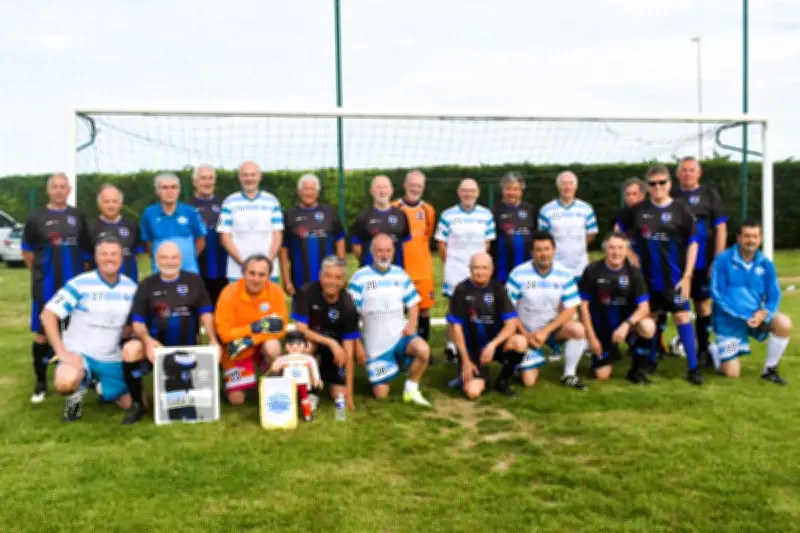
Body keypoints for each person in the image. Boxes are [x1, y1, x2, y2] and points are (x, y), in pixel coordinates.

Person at [617, 165, 703, 385]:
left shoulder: (681, 209)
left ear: (669, 184)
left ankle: (693, 368)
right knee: (651, 318)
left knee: (682, 317)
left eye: (661, 182)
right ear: (647, 187)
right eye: (653, 183)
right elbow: (618, 231)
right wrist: (628, 252)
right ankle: (650, 361)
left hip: (674, 278)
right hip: (646, 278)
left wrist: (688, 275)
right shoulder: (639, 210)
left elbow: (693, 243)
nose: (657, 187)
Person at [39, 237, 138, 421]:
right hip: (78, 354)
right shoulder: (80, 283)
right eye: (104, 254)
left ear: (121, 257)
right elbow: (47, 314)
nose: (109, 258)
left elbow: (136, 320)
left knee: (135, 405)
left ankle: (94, 384)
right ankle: (74, 397)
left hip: (110, 357)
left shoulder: (130, 287)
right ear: (96, 257)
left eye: (114, 254)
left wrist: (129, 328)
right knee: (65, 383)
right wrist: (61, 352)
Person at [120, 242, 218, 424]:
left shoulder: (194, 281)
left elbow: (206, 312)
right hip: (155, 348)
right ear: (156, 259)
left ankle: (190, 395)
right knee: (130, 350)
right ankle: (138, 404)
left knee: (184, 399)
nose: (169, 262)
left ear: (181, 259)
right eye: (164, 257)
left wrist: (213, 339)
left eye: (174, 257)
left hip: (187, 348)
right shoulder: (146, 284)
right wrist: (147, 341)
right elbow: (137, 323)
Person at [22, 173, 91, 404]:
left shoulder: (78, 216)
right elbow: (28, 251)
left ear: (69, 190)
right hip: (46, 285)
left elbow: (86, 252)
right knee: (43, 334)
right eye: (55, 187)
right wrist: (40, 273)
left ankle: (82, 377)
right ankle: (41, 384)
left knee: (77, 331)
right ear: (48, 190)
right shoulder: (36, 217)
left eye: (63, 186)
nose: (59, 190)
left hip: (73, 286)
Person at [347, 234, 432, 406]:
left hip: (400, 338)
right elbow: (350, 315)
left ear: (393, 252)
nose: (384, 255)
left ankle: (411, 388)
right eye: (380, 251)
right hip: (376, 347)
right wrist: (357, 345)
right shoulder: (360, 277)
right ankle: (388, 368)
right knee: (381, 394)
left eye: (388, 251)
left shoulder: (400, 274)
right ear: (371, 251)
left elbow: (414, 304)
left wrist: (411, 324)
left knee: (423, 350)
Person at [709, 220, 792, 383]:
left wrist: (764, 313)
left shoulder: (766, 264)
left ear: (760, 239)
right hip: (730, 325)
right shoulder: (723, 260)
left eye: (755, 236)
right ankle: (717, 352)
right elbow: (717, 294)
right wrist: (744, 316)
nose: (751, 240)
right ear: (738, 238)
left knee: (783, 323)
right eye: (747, 236)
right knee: (732, 373)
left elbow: (774, 294)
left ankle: (769, 370)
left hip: (755, 320)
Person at [506, 231, 588, 391]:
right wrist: (525, 334)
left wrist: (545, 331)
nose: (543, 254)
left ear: (554, 250)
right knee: (528, 382)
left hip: (552, 330)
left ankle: (569, 374)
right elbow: (509, 310)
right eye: (539, 250)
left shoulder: (564, 274)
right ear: (532, 252)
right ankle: (525, 357)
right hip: (525, 331)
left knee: (578, 329)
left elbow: (571, 309)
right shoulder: (518, 274)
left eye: (547, 249)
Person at [446, 251, 527, 400]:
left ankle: (502, 382)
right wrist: (465, 361)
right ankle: (473, 375)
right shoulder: (461, 290)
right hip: (472, 349)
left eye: (484, 268)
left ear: (491, 269)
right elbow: (456, 328)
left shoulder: (498, 289)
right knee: (472, 392)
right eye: (476, 268)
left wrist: (493, 345)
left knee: (520, 342)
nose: (480, 272)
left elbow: (511, 324)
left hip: (494, 345)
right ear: (470, 269)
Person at [579, 233, 656, 383]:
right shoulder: (592, 271)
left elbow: (644, 308)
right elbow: (583, 307)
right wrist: (591, 337)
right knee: (602, 376)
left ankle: (636, 371)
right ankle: (608, 351)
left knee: (648, 326)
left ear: (627, 251)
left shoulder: (634, 273)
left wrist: (626, 325)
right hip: (601, 328)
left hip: (625, 326)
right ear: (605, 250)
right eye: (612, 248)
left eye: (621, 248)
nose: (616, 252)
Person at [436, 178, 496, 362]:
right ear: (459, 192)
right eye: (465, 190)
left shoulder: (486, 215)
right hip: (455, 268)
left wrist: (480, 266)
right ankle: (452, 347)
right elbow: (441, 244)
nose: (468, 194)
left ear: (477, 193)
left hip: (477, 269)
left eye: (472, 191)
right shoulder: (448, 215)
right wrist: (451, 263)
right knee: (454, 308)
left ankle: (475, 343)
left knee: (477, 306)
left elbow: (487, 243)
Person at [215, 254, 288, 405]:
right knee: (237, 400)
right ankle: (232, 381)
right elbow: (225, 335)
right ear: (243, 273)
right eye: (252, 273)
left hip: (255, 344)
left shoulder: (275, 291)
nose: (256, 279)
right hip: (236, 350)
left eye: (262, 274)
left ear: (269, 276)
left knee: (273, 347)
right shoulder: (229, 293)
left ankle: (273, 384)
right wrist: (255, 327)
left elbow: (280, 328)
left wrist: (251, 340)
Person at [676, 156, 728, 366]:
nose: (687, 173)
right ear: (678, 174)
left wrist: (718, 259)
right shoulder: (673, 196)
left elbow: (720, 227)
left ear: (699, 173)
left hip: (703, 262)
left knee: (703, 306)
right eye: (684, 170)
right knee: (667, 305)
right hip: (677, 263)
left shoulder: (709, 194)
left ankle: (703, 349)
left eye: (691, 170)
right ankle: (657, 349)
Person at [291, 255, 359, 409]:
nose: (332, 282)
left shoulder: (348, 305)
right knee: (305, 347)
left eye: (338, 277)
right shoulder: (306, 291)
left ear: (344, 281)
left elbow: (349, 350)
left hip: (336, 352)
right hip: (314, 343)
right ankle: (309, 391)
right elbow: (301, 329)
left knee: (339, 395)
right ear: (320, 275)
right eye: (328, 276)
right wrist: (331, 342)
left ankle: (325, 376)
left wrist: (349, 394)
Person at [280, 173, 346, 297]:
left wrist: (342, 271)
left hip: (329, 278)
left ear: (318, 192)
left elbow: (340, 240)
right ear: (299, 192)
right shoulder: (290, 215)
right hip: (300, 279)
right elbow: (283, 249)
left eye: (312, 189)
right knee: (302, 309)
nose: (309, 192)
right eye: (305, 189)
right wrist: (287, 280)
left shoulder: (330, 212)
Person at [218, 161, 284, 282]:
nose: (249, 178)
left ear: (260, 176)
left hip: (267, 271)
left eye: (253, 174)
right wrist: (244, 264)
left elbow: (277, 234)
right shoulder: (229, 202)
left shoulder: (272, 201)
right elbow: (224, 237)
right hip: (237, 271)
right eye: (245, 175)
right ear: (239, 177)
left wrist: (267, 263)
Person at [392, 170, 436, 342]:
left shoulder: (428, 210)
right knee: (396, 310)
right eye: (412, 185)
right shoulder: (394, 208)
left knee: (424, 310)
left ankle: (423, 348)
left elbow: (427, 235)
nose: (415, 189)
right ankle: (398, 346)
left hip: (422, 270)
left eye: (419, 186)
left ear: (423, 188)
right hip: (400, 269)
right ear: (405, 185)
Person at [537, 170, 599, 282]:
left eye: (570, 183)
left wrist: (576, 246)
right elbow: (543, 238)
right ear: (558, 186)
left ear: (576, 186)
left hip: (580, 268)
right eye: (563, 183)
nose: (567, 187)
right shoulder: (546, 210)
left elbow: (592, 233)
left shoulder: (586, 209)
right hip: (555, 268)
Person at [139, 173, 206, 275]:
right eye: (164, 187)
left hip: (189, 271)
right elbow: (148, 243)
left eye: (173, 187)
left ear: (179, 190)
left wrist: (187, 259)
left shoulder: (190, 212)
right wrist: (163, 260)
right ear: (157, 191)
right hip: (160, 272)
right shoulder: (149, 213)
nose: (169, 191)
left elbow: (201, 241)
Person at [187, 164, 229, 305]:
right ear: (195, 182)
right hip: (197, 269)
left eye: (210, 178)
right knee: (199, 309)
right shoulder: (186, 207)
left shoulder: (225, 204)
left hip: (223, 269)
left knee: (222, 309)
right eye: (203, 178)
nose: (207, 182)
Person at [349, 175, 411, 267]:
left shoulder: (401, 215)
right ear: (371, 191)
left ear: (391, 190)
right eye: (378, 187)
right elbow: (356, 248)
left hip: (395, 271)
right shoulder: (363, 216)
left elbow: (405, 244)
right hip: (370, 272)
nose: (382, 191)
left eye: (385, 187)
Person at [87, 184, 143, 282]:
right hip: (99, 283)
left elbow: (137, 253)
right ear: (99, 205)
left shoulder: (132, 225)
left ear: (121, 204)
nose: (111, 205)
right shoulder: (90, 228)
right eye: (106, 202)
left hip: (128, 281)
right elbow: (86, 260)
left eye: (114, 201)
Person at [490, 171, 538, 283]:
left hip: (528, 273)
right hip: (502, 273)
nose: (511, 193)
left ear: (521, 191)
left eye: (515, 189)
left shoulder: (530, 210)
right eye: (508, 189)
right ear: (502, 190)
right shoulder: (494, 211)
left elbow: (536, 238)